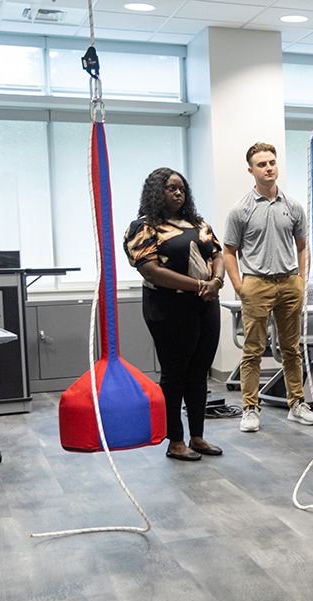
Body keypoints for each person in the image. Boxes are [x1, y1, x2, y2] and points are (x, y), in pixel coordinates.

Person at [123, 168, 224, 462]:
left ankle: (197, 436)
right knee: (175, 372)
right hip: (167, 305)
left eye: (181, 189)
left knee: (199, 371)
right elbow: (151, 270)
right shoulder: (143, 226)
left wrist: (216, 282)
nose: (178, 193)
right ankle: (175, 441)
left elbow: (216, 253)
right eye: (170, 188)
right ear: (157, 191)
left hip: (205, 302)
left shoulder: (197, 223)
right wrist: (199, 285)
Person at [223, 142, 313, 432]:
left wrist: (301, 280)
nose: (269, 168)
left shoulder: (293, 206)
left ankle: (297, 404)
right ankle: (250, 409)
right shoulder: (240, 209)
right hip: (256, 284)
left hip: (289, 282)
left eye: (272, 162)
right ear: (251, 170)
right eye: (262, 164)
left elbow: (303, 246)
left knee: (292, 349)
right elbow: (229, 251)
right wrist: (240, 286)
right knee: (253, 350)